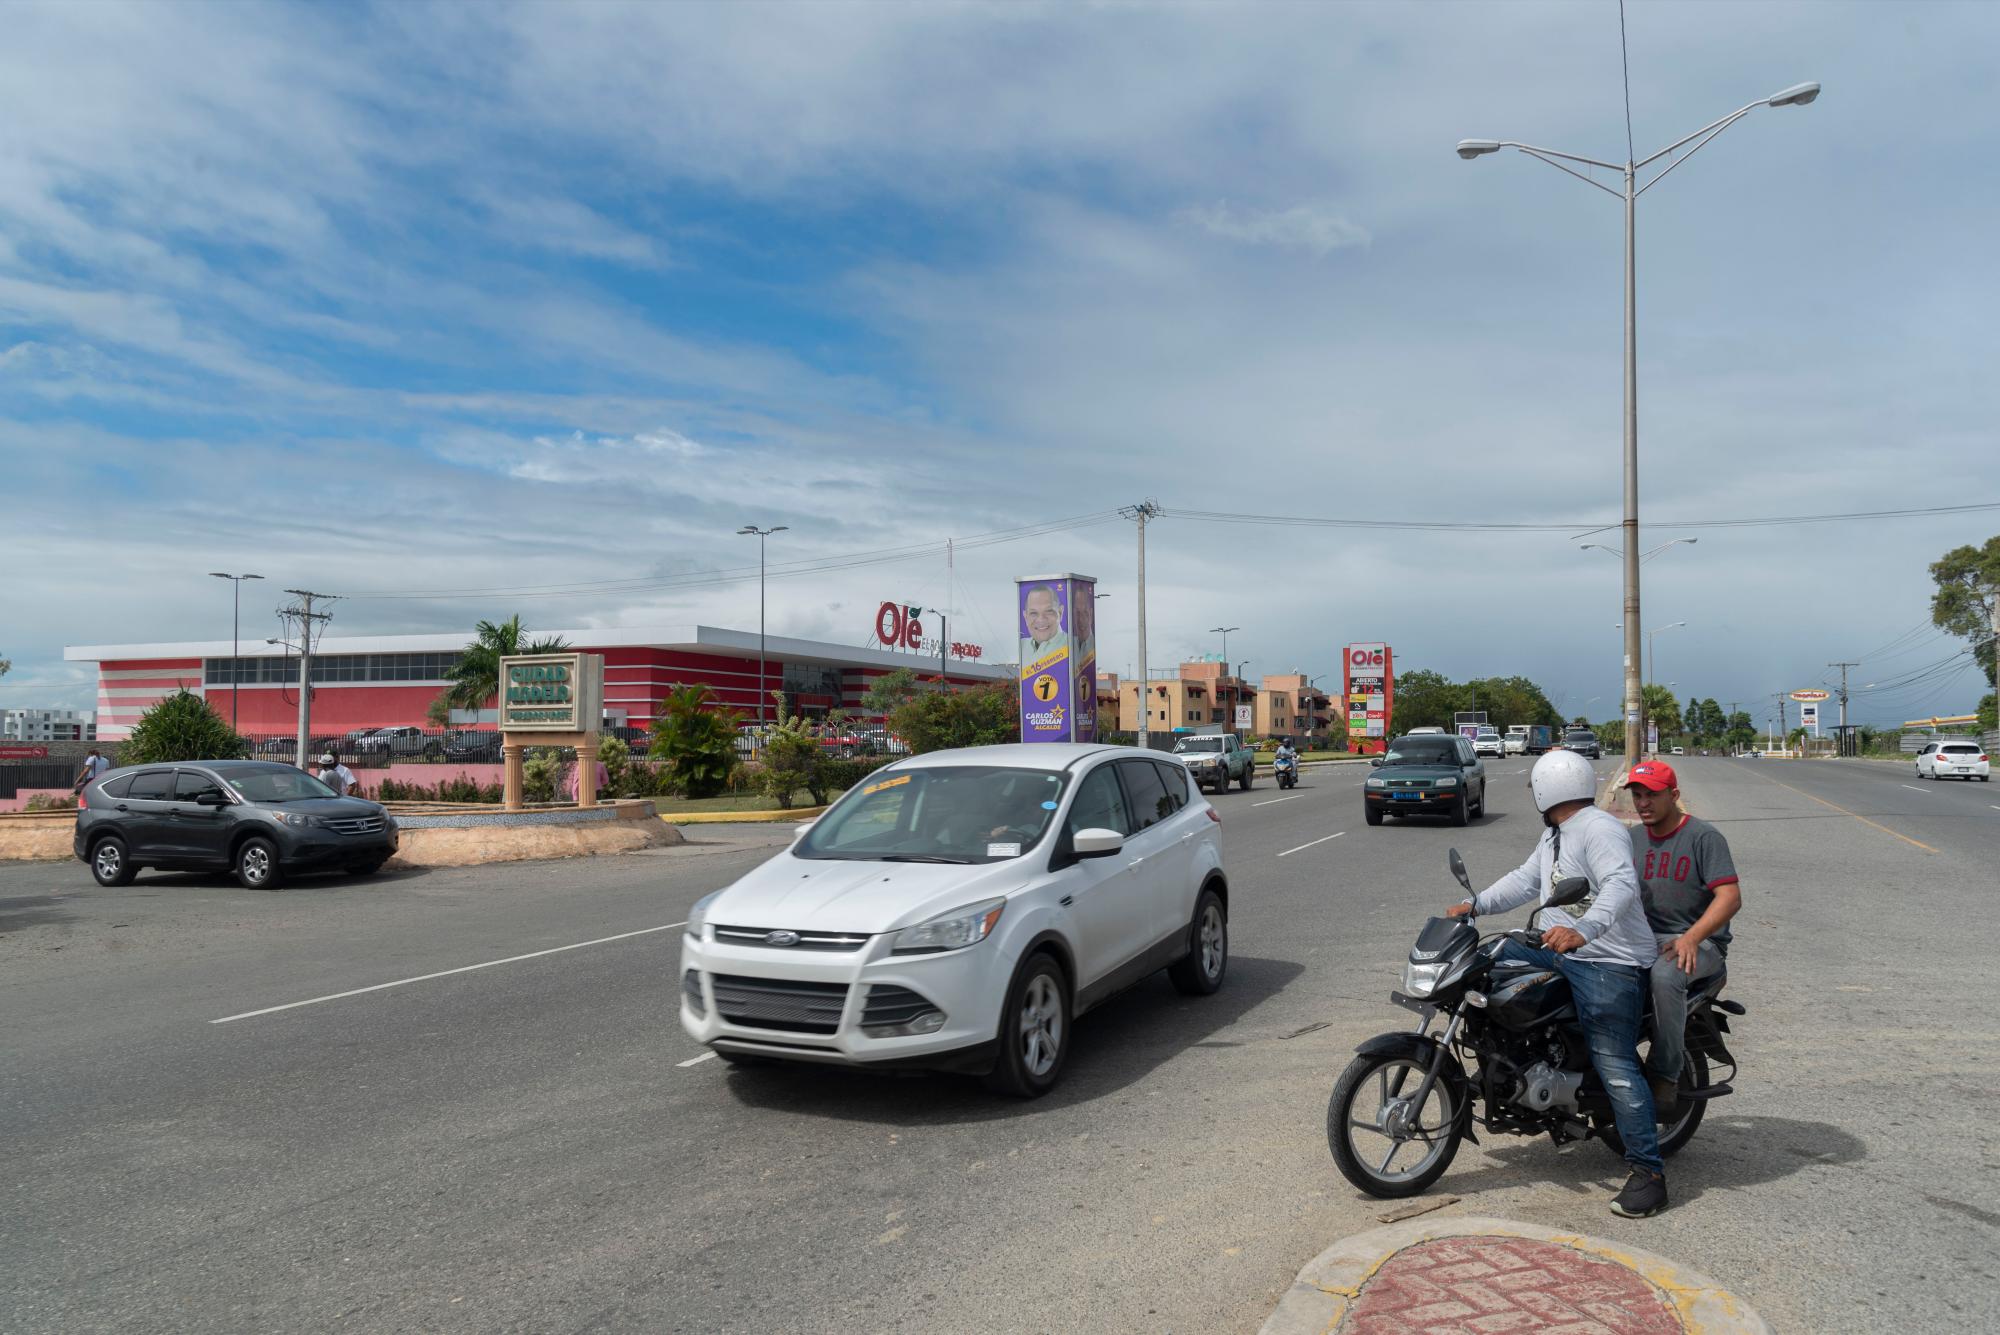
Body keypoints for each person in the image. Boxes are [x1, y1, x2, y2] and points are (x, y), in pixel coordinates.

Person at [1447, 749, 1669, 1219]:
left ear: (1547, 788)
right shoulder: (1554, 835)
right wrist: (1475, 907)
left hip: (1608, 959)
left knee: (1615, 1062)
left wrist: (1583, 930)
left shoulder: (1599, 829)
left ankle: (1649, 1174)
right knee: (1483, 963)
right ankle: (1510, 1068)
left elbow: (1619, 885)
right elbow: (1527, 882)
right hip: (1556, 948)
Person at [1624, 760, 1740, 1119]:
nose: (1643, 803)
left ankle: (1664, 1076)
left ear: (1673, 795)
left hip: (1699, 942)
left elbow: (1730, 897)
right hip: (1646, 939)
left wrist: (1692, 937)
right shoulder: (1631, 839)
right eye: (1638, 795)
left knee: (1665, 974)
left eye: (1652, 795)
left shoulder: (1703, 837)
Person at [1018, 584, 1068, 664]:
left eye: (1048, 611)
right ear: (1025, 617)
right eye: (1033, 613)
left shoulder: (1071, 645)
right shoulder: (1021, 646)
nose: (1041, 619)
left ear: (1060, 612)